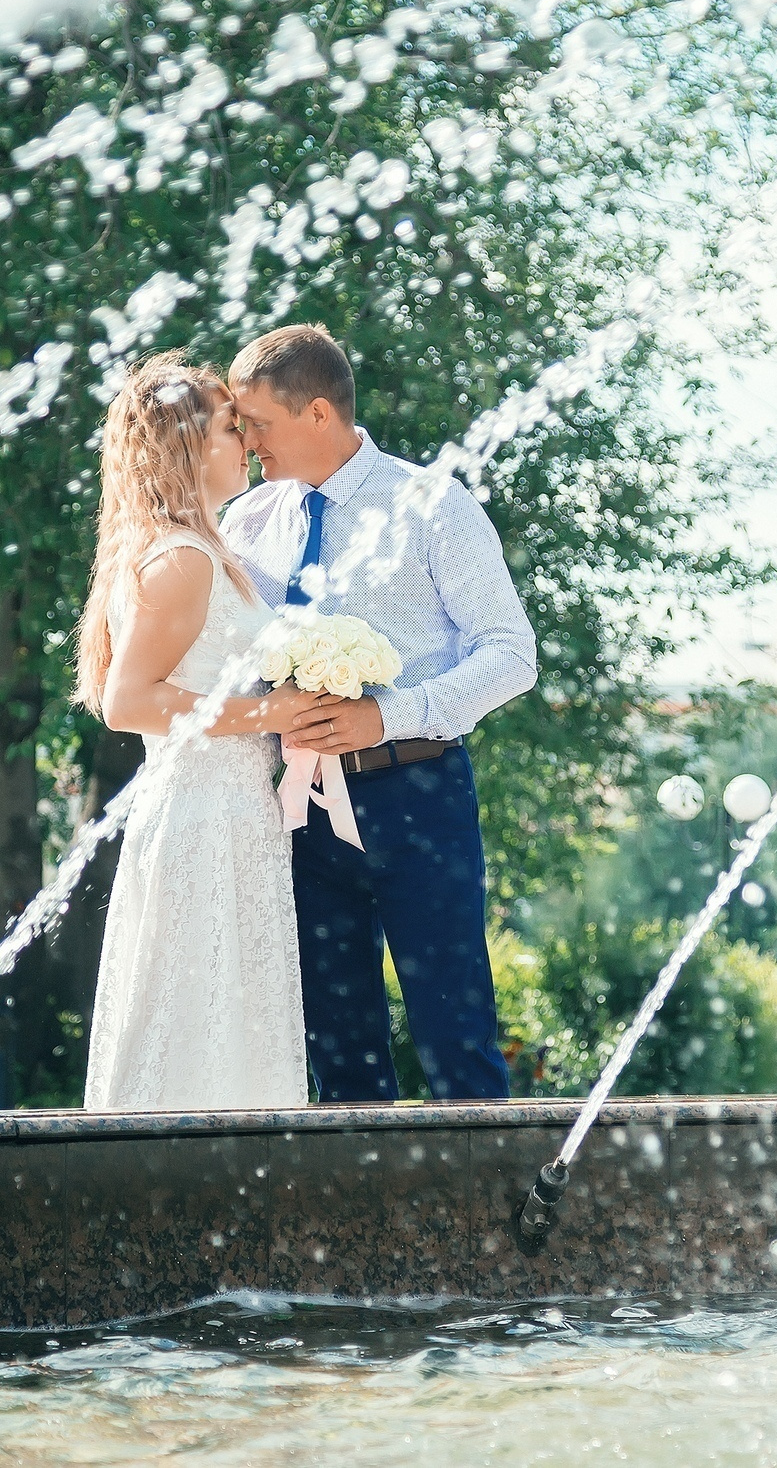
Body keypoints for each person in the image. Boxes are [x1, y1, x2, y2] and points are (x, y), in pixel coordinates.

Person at [223, 324, 537, 1102]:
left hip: (417, 794)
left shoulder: (433, 506)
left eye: (256, 421)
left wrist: (390, 715)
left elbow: (512, 653)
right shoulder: (247, 523)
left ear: (319, 413)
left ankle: (492, 1218)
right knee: (337, 1044)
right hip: (295, 810)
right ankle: (361, 1220)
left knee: (453, 1036)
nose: (243, 437)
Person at [73, 354, 337, 1110]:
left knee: (226, 1018)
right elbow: (129, 702)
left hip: (232, 815)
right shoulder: (183, 558)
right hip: (204, 819)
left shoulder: (197, 549)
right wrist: (274, 713)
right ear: (187, 445)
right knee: (200, 1019)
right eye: (230, 428)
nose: (247, 443)